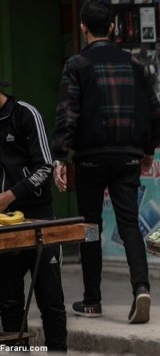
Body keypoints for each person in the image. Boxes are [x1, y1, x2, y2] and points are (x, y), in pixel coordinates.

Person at [51, 0, 160, 324]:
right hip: (127, 156)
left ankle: (92, 300)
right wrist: (149, 149)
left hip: (89, 159)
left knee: (90, 226)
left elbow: (67, 113)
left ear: (84, 28)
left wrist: (60, 155)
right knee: (129, 223)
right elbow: (154, 111)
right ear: (112, 28)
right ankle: (141, 287)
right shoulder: (135, 64)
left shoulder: (76, 65)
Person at [0, 80, 67, 351]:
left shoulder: (26, 114)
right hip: (4, 226)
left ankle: (57, 351)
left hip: (38, 218)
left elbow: (45, 168)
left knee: (50, 299)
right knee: (9, 303)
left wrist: (9, 196)